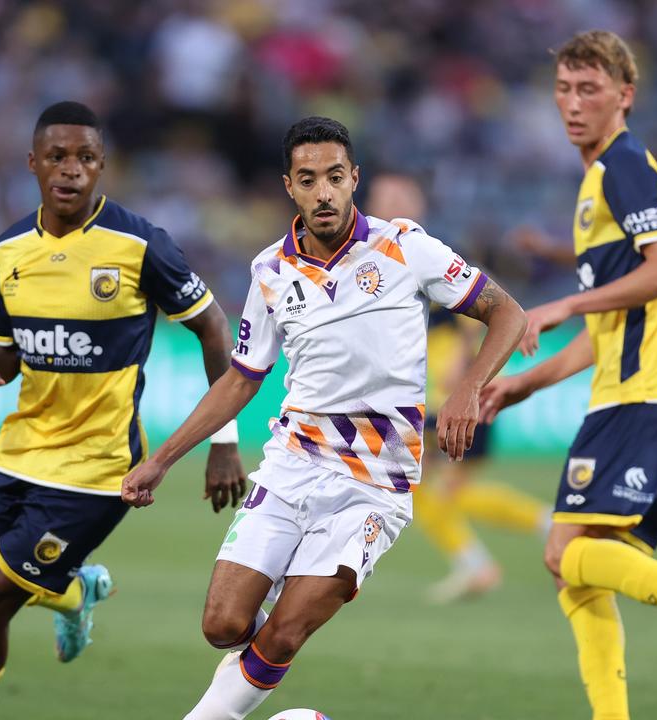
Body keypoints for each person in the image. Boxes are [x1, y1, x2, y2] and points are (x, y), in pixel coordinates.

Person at [121, 116, 527, 720]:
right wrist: (160, 459)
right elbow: (240, 379)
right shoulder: (269, 272)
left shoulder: (403, 246)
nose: (324, 192)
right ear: (290, 186)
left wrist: (469, 389)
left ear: (353, 178)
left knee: (284, 634)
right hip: (291, 465)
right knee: (224, 624)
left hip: (372, 485)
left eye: (335, 177)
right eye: (308, 180)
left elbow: (508, 313)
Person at [0, 101, 246, 720]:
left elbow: (214, 330)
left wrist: (224, 441)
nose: (70, 170)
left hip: (96, 471)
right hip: (17, 452)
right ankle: (72, 589)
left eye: (85, 159)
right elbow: (8, 352)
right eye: (57, 157)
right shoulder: (8, 251)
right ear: (33, 164)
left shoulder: (140, 244)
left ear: (102, 166)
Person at [479, 31, 657, 719]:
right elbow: (610, 328)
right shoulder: (597, 181)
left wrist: (563, 302)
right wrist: (527, 382)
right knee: (579, 570)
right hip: (648, 394)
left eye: (590, 90)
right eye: (564, 91)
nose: (573, 105)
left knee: (563, 553)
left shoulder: (622, 167)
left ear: (625, 95)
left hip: (646, 395)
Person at [366, 172, 553, 604]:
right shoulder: (374, 257)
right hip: (423, 395)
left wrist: (463, 372)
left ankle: (522, 538)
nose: (390, 202)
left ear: (418, 204)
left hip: (442, 397)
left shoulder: (430, 253)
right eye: (383, 196)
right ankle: (493, 554)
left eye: (400, 195)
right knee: (438, 489)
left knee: (426, 486)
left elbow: (478, 310)